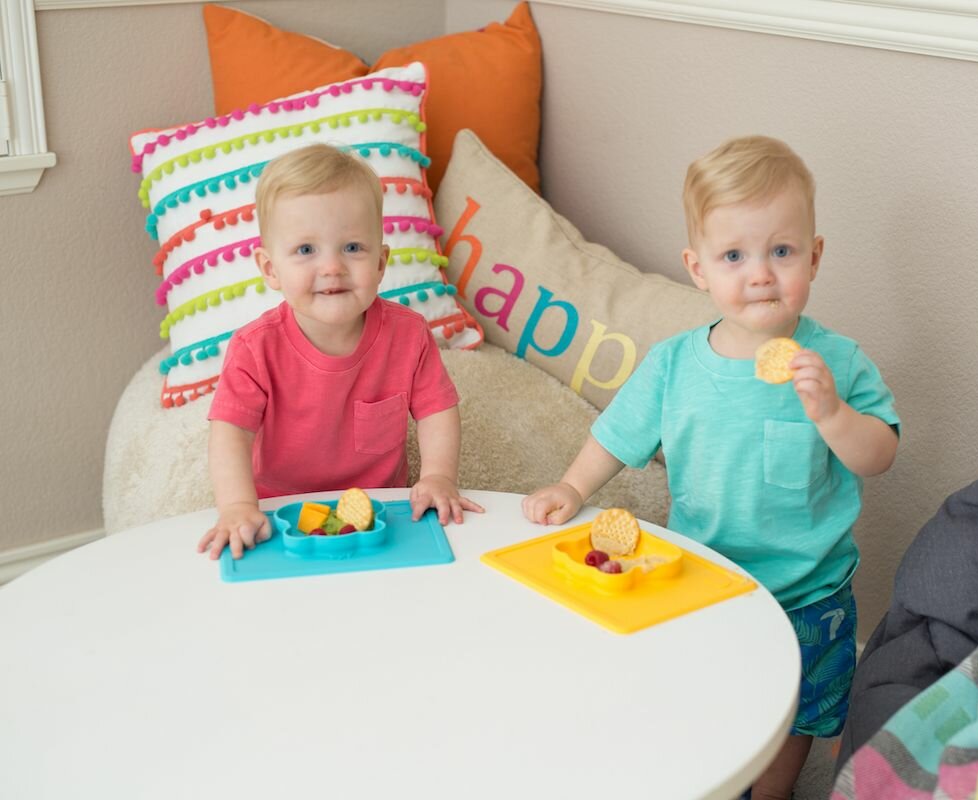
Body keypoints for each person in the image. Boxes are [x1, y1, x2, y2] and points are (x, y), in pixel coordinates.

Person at [522, 135, 899, 799]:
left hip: (808, 594)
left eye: (781, 252)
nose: (760, 274)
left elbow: (880, 456)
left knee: (792, 724)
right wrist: (572, 485)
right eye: (734, 256)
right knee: (703, 705)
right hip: (701, 580)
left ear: (814, 256)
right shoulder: (673, 365)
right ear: (698, 269)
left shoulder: (837, 363)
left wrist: (833, 414)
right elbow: (617, 434)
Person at [198, 144, 482, 561]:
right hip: (279, 510)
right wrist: (238, 505)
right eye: (306, 250)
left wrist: (439, 476)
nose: (332, 268)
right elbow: (230, 433)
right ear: (271, 269)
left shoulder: (408, 334)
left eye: (352, 248)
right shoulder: (254, 348)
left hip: (381, 509)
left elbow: (436, 410)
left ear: (381, 263)